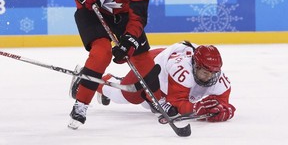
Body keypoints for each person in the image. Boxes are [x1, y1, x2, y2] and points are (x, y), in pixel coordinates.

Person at [53, 0, 155, 129]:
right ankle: (81, 103)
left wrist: (129, 42)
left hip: (121, 17)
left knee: (141, 56)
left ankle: (157, 98)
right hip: (90, 12)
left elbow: (138, 19)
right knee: (101, 54)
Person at [95, 41, 236, 122]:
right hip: (154, 63)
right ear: (195, 66)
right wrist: (195, 109)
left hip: (166, 82)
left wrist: (224, 111)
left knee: (146, 103)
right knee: (125, 96)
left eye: (213, 73)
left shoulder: (218, 78)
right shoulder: (182, 71)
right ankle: (96, 82)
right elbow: (175, 102)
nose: (210, 77)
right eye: (206, 73)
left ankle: (129, 86)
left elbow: (223, 103)